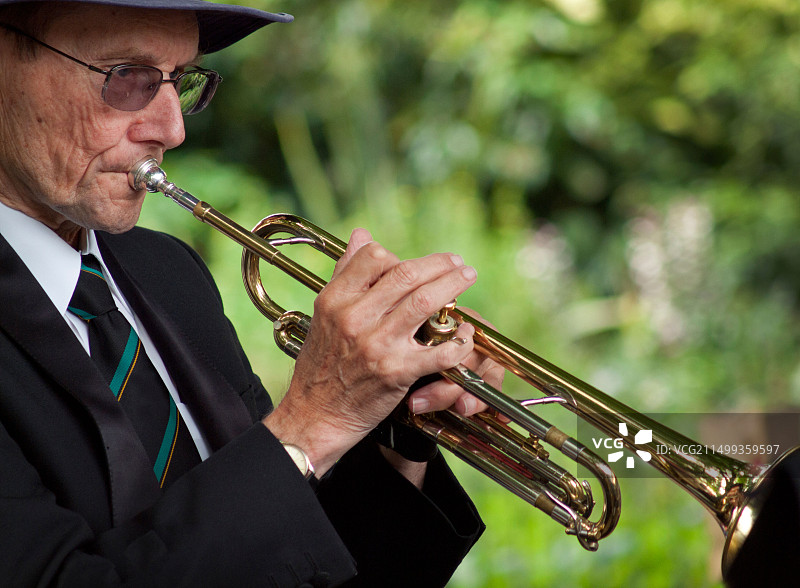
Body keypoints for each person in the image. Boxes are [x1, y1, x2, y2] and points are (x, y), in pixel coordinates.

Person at [0, 1, 498, 586]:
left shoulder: (167, 271)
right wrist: (311, 423)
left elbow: (296, 560)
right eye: (127, 77)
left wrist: (391, 428)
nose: (173, 130)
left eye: (181, 81)